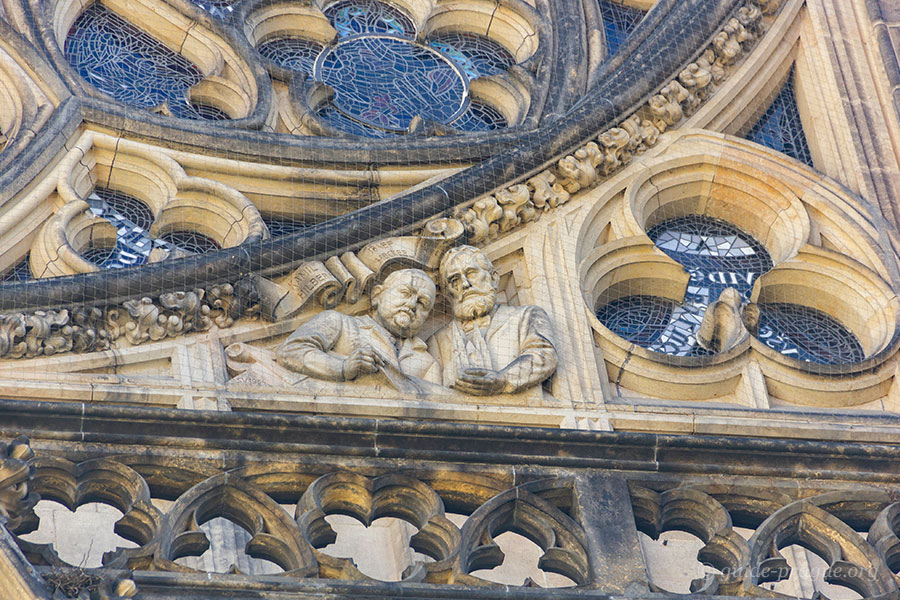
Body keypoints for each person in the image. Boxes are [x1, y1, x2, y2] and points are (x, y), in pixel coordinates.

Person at [427, 245, 558, 395]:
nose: (465, 284)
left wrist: (504, 379)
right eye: (454, 280)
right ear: (446, 294)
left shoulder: (526, 316)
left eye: (471, 273)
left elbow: (544, 355)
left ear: (494, 278)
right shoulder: (437, 340)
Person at [277, 268, 440, 385]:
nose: (412, 305)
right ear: (377, 295)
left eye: (422, 303)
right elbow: (290, 350)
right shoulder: (340, 322)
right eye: (405, 293)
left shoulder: (427, 362)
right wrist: (342, 367)